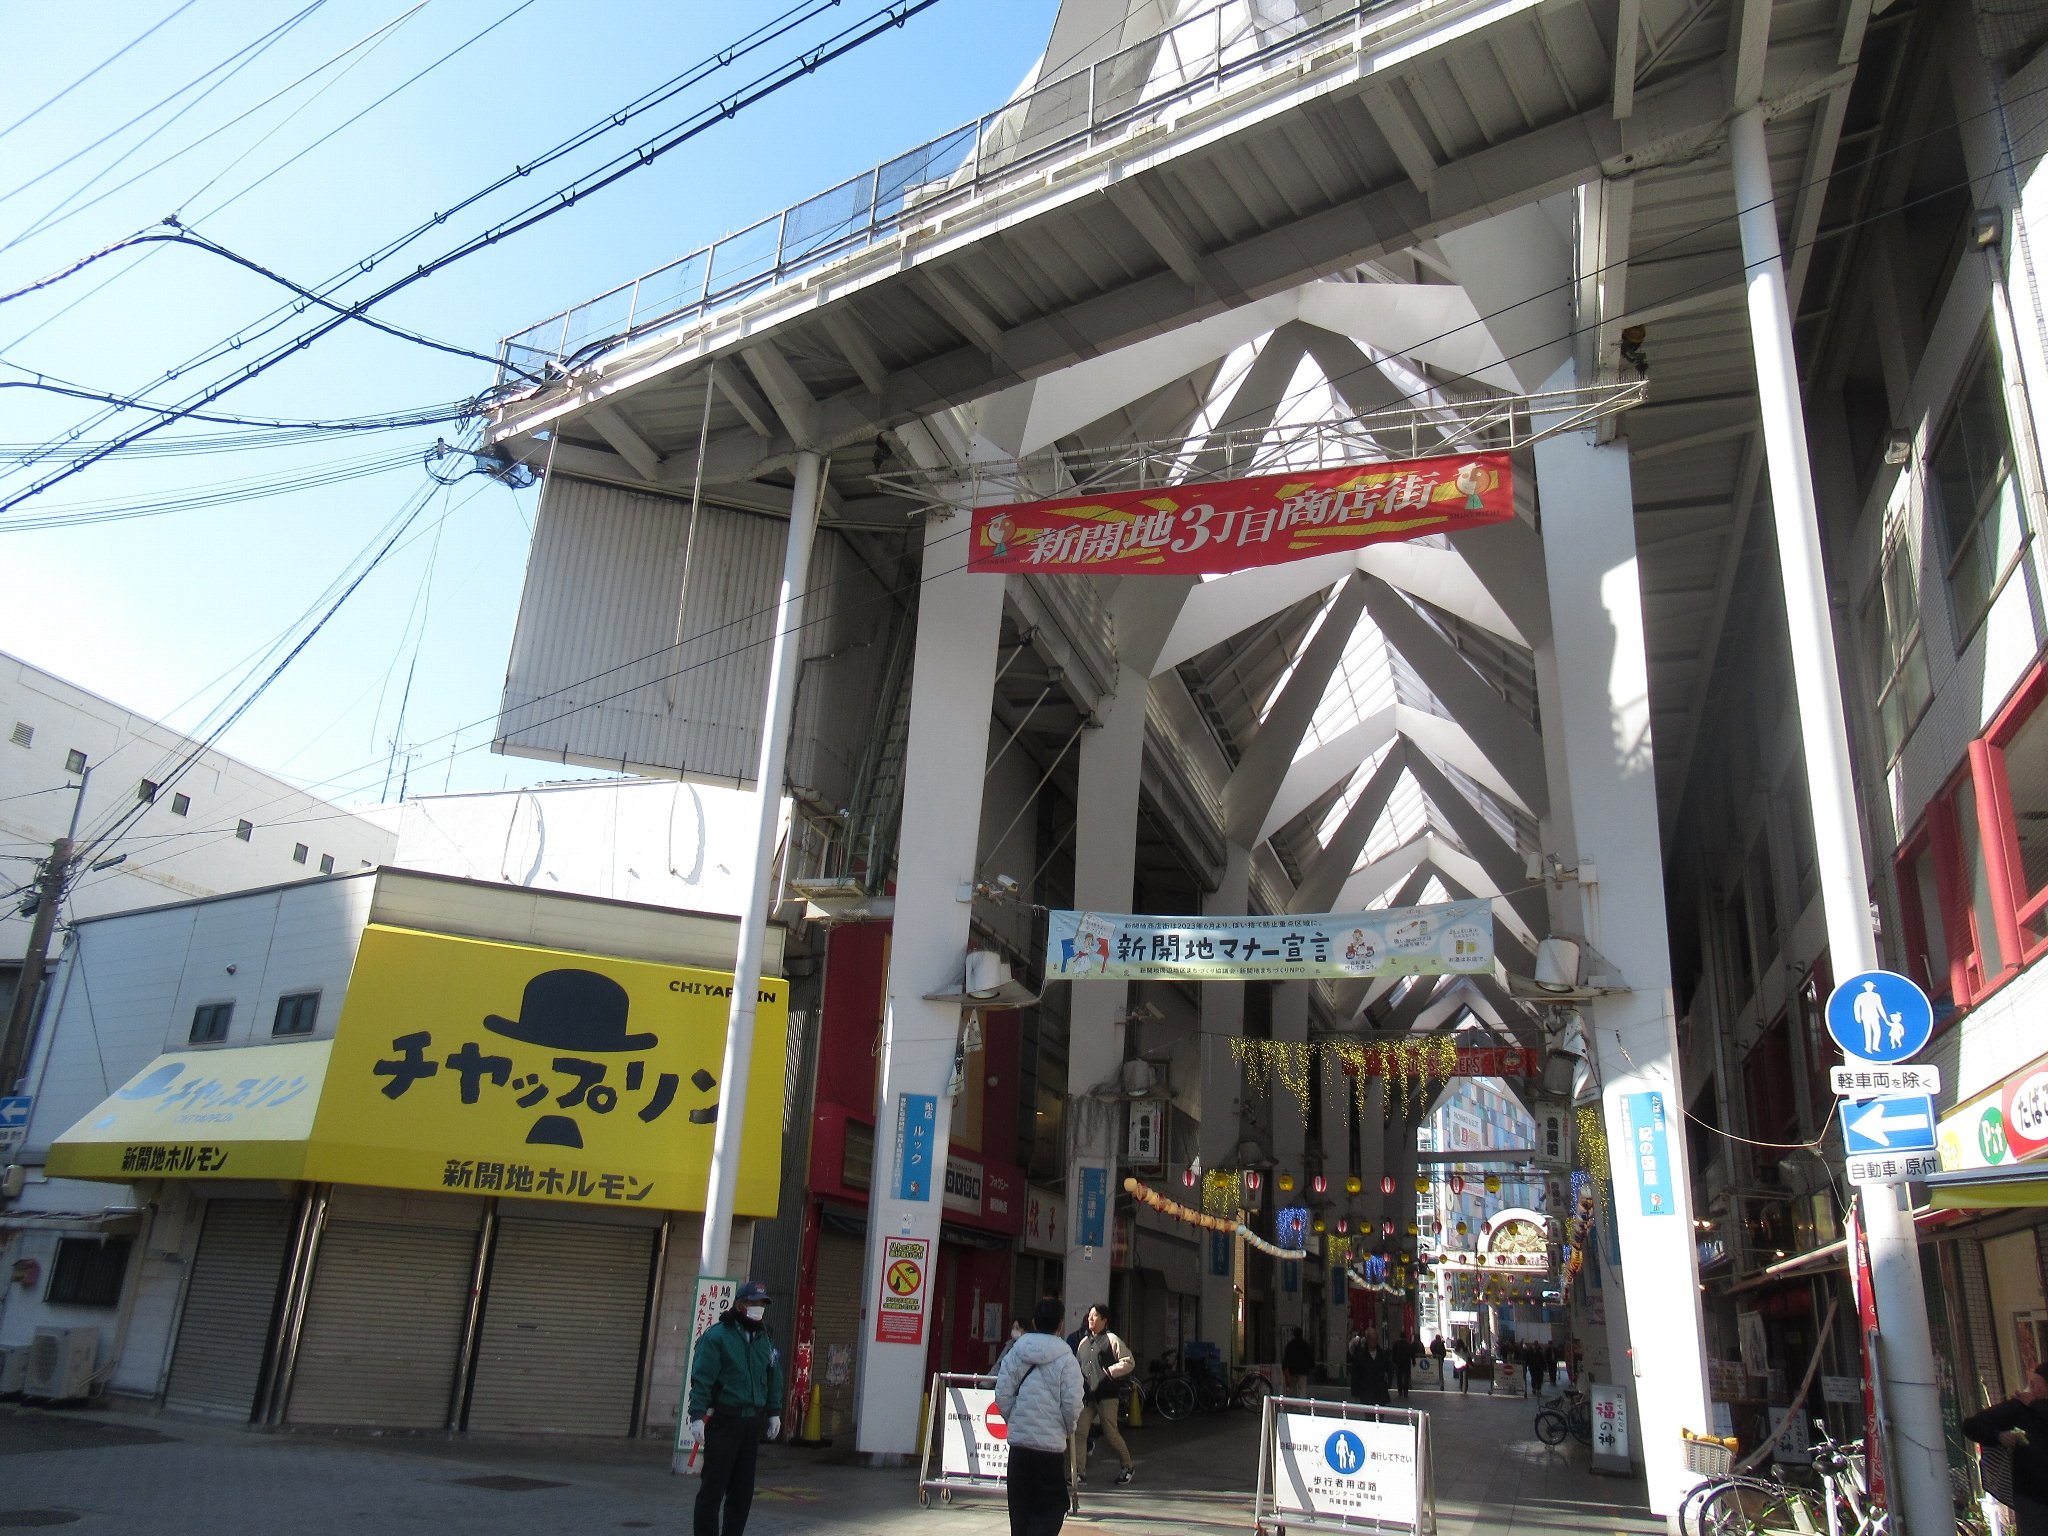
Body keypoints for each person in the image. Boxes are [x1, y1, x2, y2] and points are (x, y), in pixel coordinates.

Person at [684, 1281, 784, 1536]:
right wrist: (697, 1415)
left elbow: (774, 1375)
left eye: (762, 1304)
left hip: (752, 1422)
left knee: (742, 1491)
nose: (758, 1309)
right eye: (754, 1303)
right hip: (724, 1419)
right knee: (713, 1489)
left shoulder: (765, 1337)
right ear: (740, 1305)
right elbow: (702, 1378)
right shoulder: (718, 1336)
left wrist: (774, 1412)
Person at [998, 1297, 1085, 1536]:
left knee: (1020, 1508)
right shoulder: (1067, 1359)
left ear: (1034, 1322)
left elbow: (1002, 1394)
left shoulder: (1016, 1353)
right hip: (1049, 1448)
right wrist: (1067, 1428)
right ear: (1060, 1325)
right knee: (1053, 1505)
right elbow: (1072, 1403)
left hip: (1020, 1445)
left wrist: (1015, 1420)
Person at [1965, 1361, 2048, 1535]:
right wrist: (1998, 1436)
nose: (2030, 1389)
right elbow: (1972, 1425)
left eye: (2036, 1384)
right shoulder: (2019, 1409)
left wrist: (2034, 1403)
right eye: (2031, 1383)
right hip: (2033, 1496)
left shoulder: (2032, 1405)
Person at [1071, 1303, 1137, 1487]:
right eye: (1089, 1316)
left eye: (1095, 1316)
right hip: (1088, 1396)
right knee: (1079, 1433)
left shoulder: (1111, 1339)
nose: (1090, 1319)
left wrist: (1110, 1372)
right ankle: (1078, 1473)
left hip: (1107, 1395)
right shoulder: (1083, 1342)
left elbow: (1129, 1361)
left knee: (1110, 1433)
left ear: (1105, 1320)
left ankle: (1127, 1466)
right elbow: (1078, 1367)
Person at [1282, 1328, 1315, 1397]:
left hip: (1293, 1369)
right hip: (1303, 1370)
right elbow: (1310, 1357)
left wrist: (1284, 1367)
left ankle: (1293, 1404)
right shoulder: (1306, 1345)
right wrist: (1312, 1366)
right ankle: (1302, 1406)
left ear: (1294, 1334)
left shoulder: (1290, 1345)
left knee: (1293, 1387)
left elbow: (1286, 1357)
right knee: (1302, 1388)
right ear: (1302, 1334)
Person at [1392, 1335, 1413, 1400]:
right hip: (1407, 1363)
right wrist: (1413, 1361)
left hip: (1399, 1363)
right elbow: (1411, 1353)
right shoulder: (1408, 1344)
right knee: (1406, 1378)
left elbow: (1393, 1353)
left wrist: (1394, 1361)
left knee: (1399, 1377)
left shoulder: (1396, 1343)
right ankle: (1406, 1393)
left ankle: (1400, 1391)